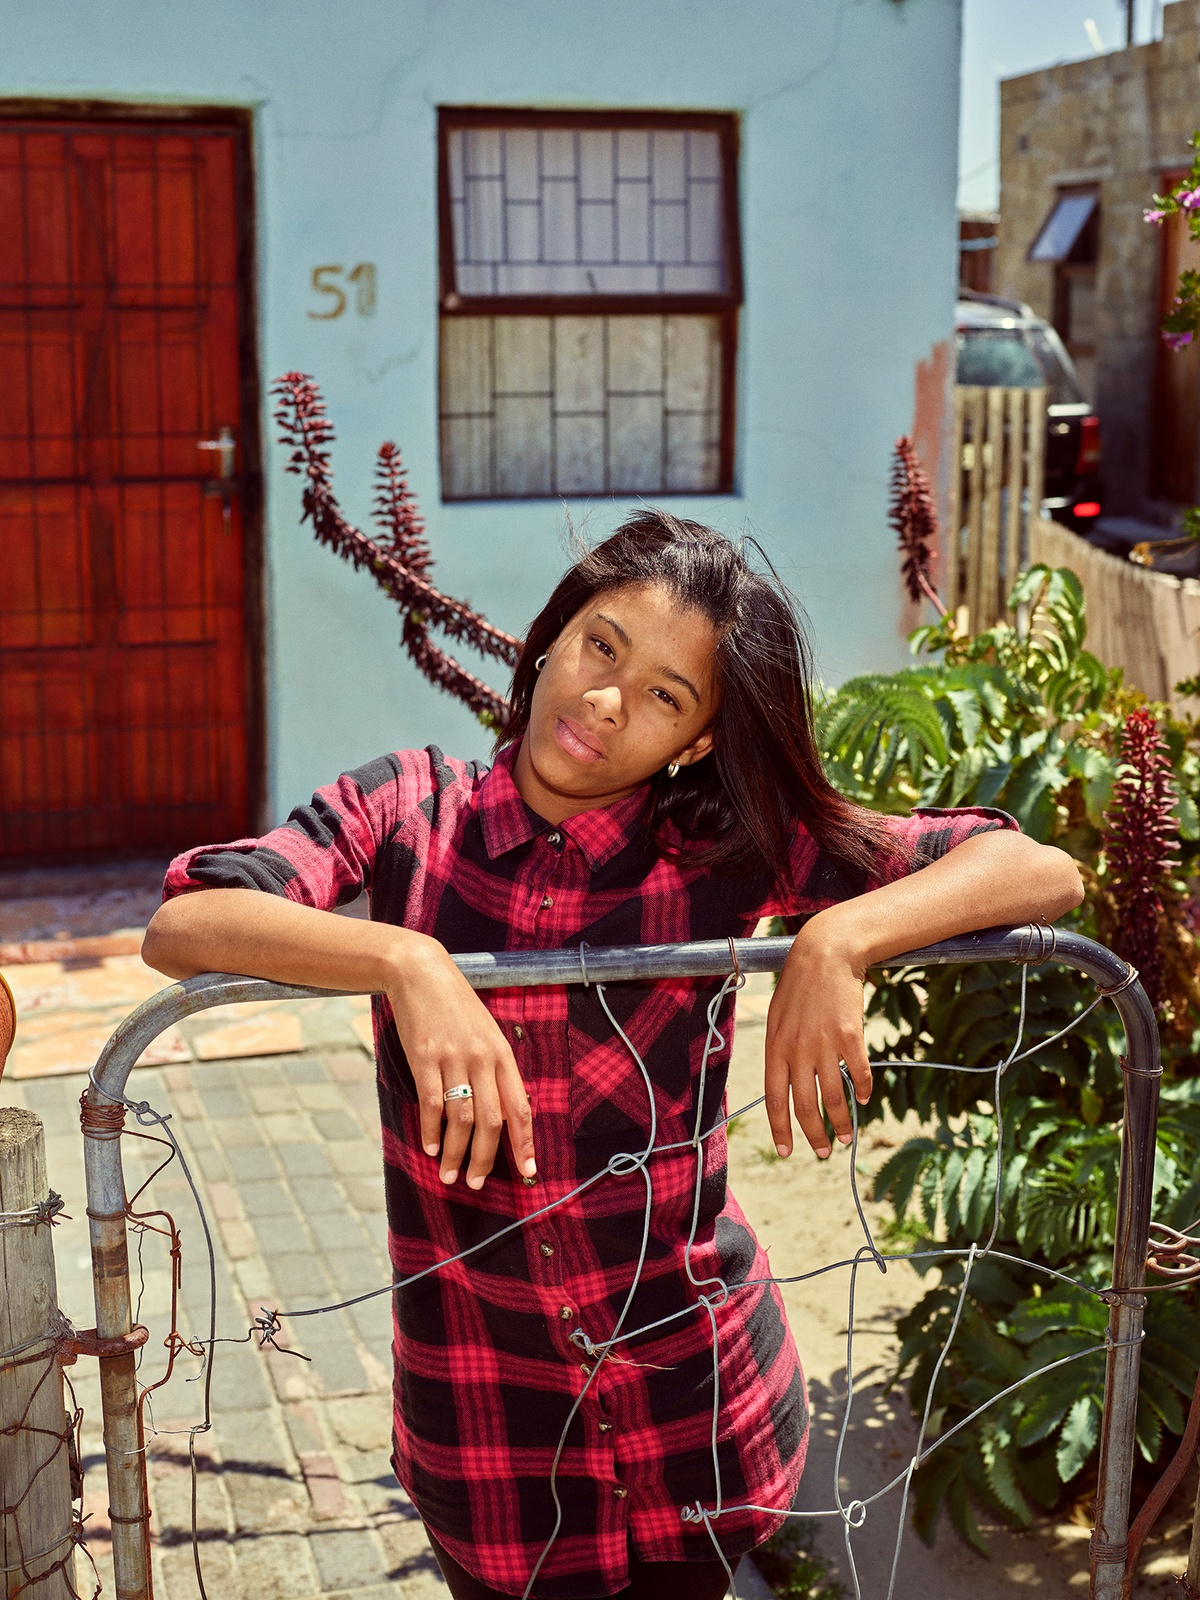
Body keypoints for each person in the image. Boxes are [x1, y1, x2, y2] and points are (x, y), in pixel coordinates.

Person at [143, 512, 1083, 1600]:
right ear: (551, 637)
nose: (605, 700)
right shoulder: (410, 812)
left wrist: (838, 935)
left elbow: (1034, 869)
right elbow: (189, 919)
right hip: (490, 1430)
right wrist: (410, 962)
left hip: (698, 1413)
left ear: (692, 741)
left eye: (666, 695)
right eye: (601, 646)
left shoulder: (721, 856)